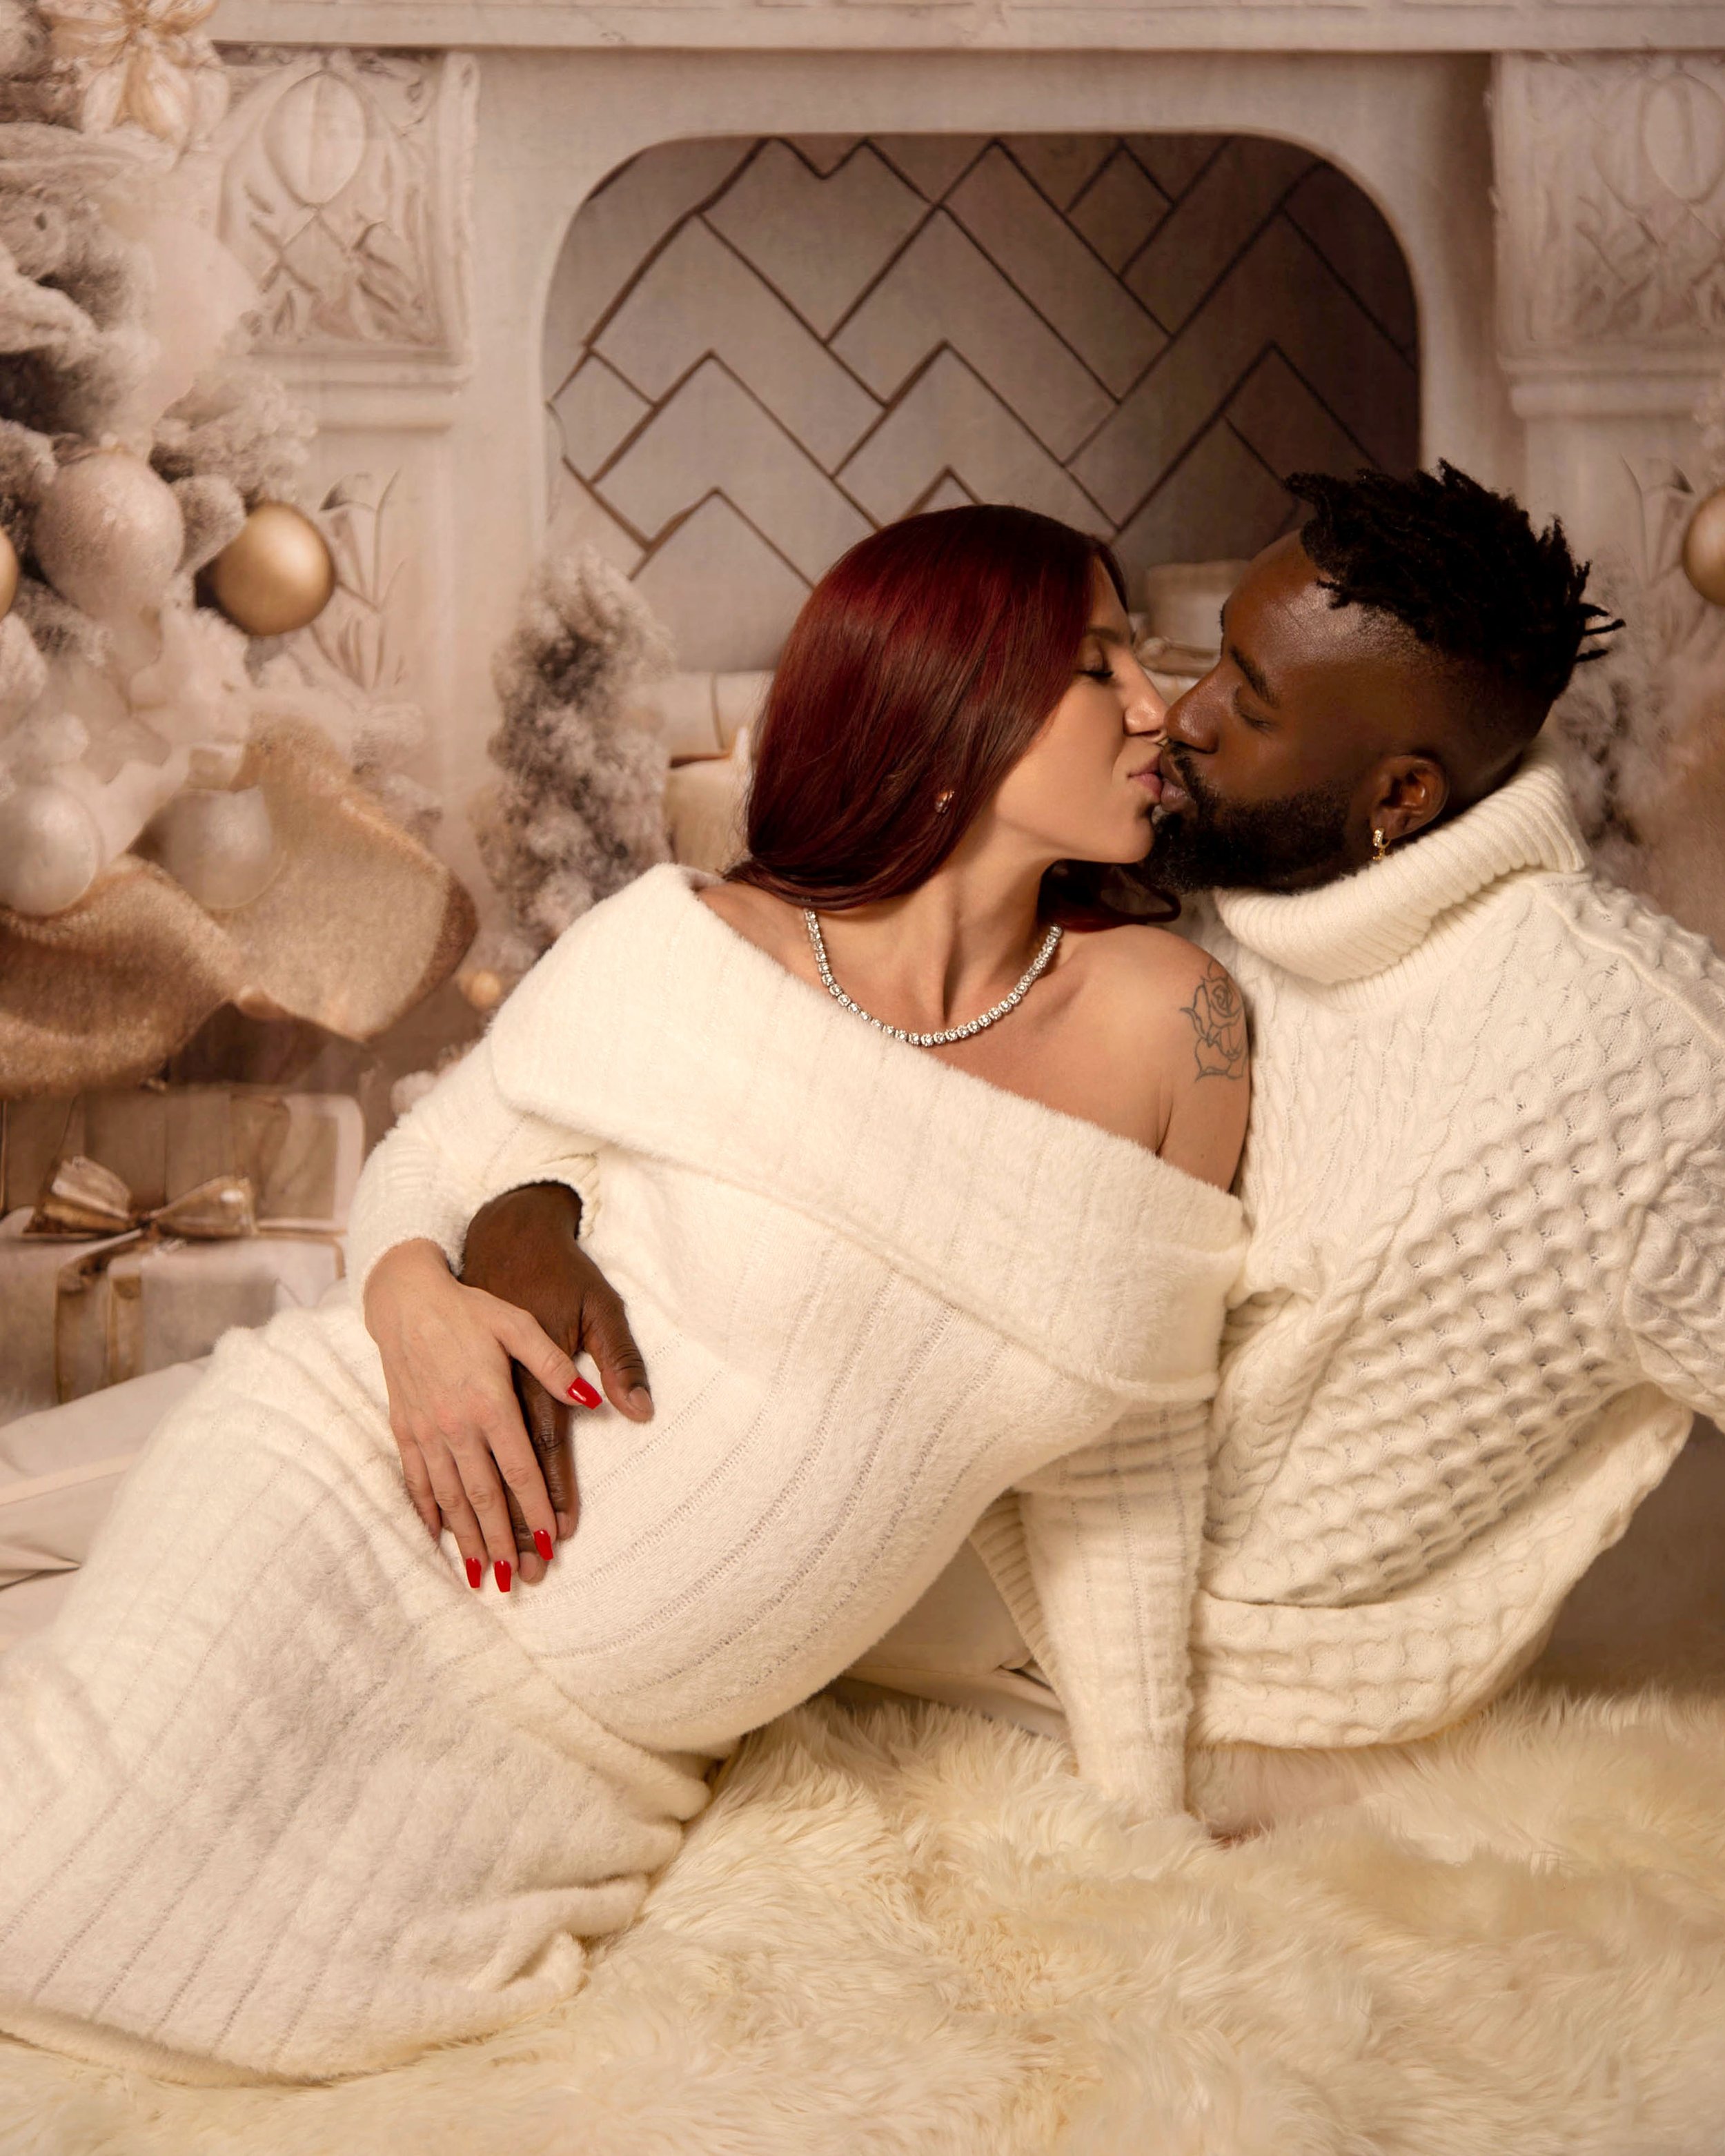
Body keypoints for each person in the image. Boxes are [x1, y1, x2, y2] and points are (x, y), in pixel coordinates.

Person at [0, 506, 1249, 2081]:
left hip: (589, 1757)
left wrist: (1145, 1819)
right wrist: (410, 1300)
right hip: (335, 1508)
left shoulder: (1174, 1027)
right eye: (1096, 666)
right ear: (953, 703)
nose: (1154, 705)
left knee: (304, 2025)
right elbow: (432, 1162)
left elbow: (1129, 1455)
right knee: (36, 1868)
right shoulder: (691, 947)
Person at [426, 464, 1725, 1773]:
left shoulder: (1640, 1060)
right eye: (1187, 658)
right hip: (738, 1612)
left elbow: (1122, 1439)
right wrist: (495, 1223)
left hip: (1196, 1710)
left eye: (1247, 701)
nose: (1177, 717)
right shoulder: (1190, 871)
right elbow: (602, 1093)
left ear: (1401, 799)